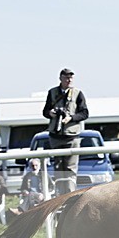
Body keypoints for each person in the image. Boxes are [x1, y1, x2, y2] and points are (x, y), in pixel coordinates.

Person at [42, 67, 89, 195]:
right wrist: (51, 113)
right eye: (66, 77)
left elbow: (85, 113)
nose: (69, 80)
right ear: (60, 78)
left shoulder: (78, 93)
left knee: (70, 170)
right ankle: (59, 195)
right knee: (58, 169)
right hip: (55, 136)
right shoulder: (52, 92)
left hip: (72, 136)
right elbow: (45, 111)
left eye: (71, 77)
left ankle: (70, 196)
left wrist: (71, 118)